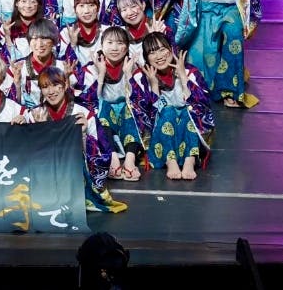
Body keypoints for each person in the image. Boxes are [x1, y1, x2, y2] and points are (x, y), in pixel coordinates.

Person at [24, 66, 127, 213]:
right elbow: (25, 154)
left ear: (65, 85)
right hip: (45, 172)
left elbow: (102, 155)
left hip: (73, 174)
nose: (51, 91)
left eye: (56, 85)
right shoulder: (34, 114)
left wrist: (84, 136)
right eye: (45, 87)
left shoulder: (83, 113)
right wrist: (30, 128)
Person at [76, 26, 149, 182]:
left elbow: (141, 100)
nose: (114, 48)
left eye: (120, 43)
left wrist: (128, 75)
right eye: (110, 43)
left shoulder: (133, 67)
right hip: (104, 116)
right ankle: (113, 160)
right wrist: (101, 74)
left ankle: (129, 161)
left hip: (125, 115)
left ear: (127, 47)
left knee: (133, 109)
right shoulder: (91, 68)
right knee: (103, 107)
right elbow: (88, 100)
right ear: (102, 45)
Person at [142, 31, 215, 180]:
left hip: (187, 132)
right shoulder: (145, 77)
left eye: (162, 49)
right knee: (168, 111)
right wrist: (154, 86)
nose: (159, 56)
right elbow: (149, 118)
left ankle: (190, 160)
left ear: (171, 49)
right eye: (152, 52)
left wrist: (183, 77)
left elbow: (202, 109)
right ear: (146, 58)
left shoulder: (190, 72)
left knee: (188, 110)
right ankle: (170, 161)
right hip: (162, 136)